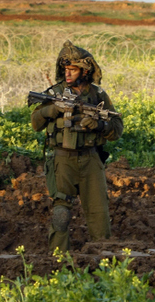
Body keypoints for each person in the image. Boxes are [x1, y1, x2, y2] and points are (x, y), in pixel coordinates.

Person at [31, 40, 124, 252]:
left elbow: (117, 129)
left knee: (99, 213)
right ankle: (58, 259)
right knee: (61, 212)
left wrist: (99, 125)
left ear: (85, 70)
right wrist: (52, 110)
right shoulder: (54, 93)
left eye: (73, 69)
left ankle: (102, 259)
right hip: (62, 159)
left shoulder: (98, 96)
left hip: (91, 159)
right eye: (65, 69)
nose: (68, 73)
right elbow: (35, 122)